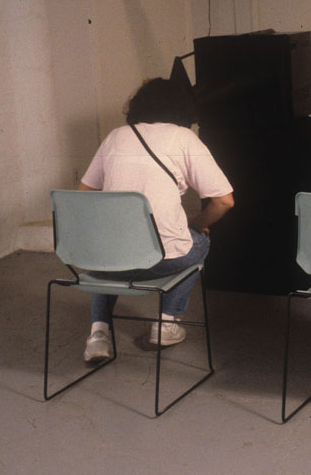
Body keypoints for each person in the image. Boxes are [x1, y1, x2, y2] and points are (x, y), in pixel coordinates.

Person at [77, 77, 234, 362]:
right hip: (161, 260)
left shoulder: (115, 136)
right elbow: (225, 201)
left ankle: (98, 334)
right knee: (200, 241)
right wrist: (196, 225)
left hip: (110, 261)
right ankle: (166, 323)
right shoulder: (184, 138)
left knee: (105, 250)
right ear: (182, 108)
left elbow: (83, 195)